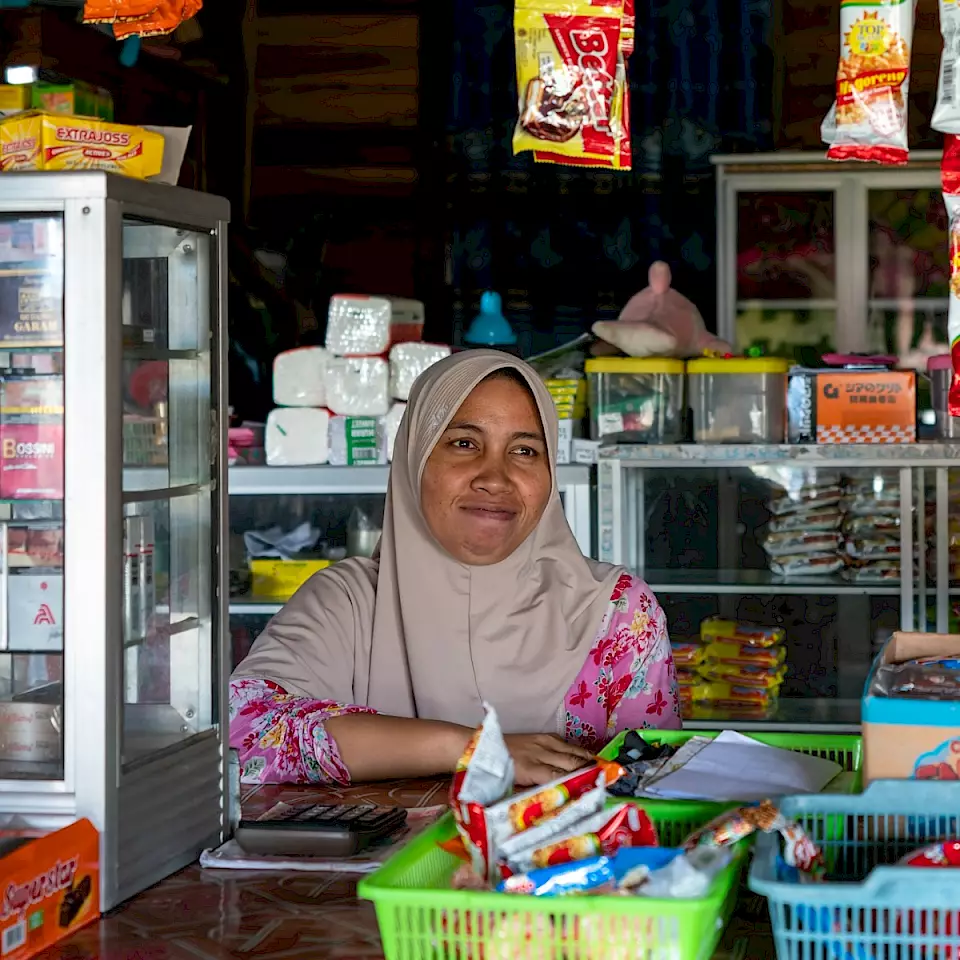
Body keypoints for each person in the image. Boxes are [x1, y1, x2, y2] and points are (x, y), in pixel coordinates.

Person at [230, 350, 680, 787]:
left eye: (524, 451)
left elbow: (657, 781)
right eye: (464, 444)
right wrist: (470, 748)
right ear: (415, 460)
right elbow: (240, 733)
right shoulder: (347, 604)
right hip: (394, 865)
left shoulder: (615, 613)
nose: (495, 477)